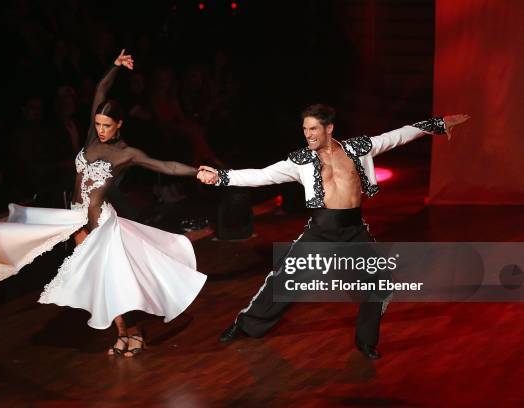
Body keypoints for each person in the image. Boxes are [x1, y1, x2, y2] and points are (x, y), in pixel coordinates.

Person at [0, 50, 207, 358]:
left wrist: (196, 170)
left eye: (107, 125)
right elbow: (100, 90)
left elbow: (165, 166)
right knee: (99, 280)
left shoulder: (126, 154)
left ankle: (131, 333)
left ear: (119, 125)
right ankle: (125, 334)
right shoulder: (91, 140)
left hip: (100, 224)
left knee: (111, 282)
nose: (100, 129)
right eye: (97, 124)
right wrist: (115, 66)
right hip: (76, 219)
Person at [197, 104, 469, 359]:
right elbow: (263, 175)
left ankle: (365, 342)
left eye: (313, 129)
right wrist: (221, 177)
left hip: (353, 232)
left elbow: (396, 136)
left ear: (329, 128)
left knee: (380, 284)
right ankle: (244, 324)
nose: (308, 135)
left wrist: (436, 124)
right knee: (283, 282)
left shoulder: (359, 149)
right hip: (320, 232)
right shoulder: (300, 161)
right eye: (304, 129)